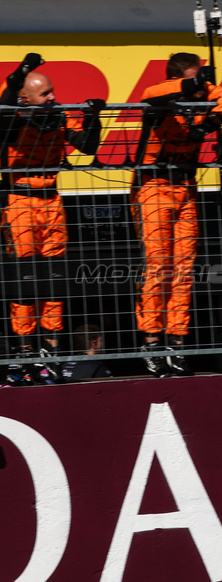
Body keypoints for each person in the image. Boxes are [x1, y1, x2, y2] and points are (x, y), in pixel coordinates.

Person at [136, 54, 222, 376]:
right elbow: (151, 96)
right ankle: (152, 340)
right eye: (195, 80)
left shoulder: (202, 99)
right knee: (159, 265)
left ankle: (177, 341)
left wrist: (212, 122)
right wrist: (191, 86)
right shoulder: (159, 96)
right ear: (179, 80)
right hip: (153, 186)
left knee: (184, 266)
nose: (203, 88)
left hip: (185, 187)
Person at [0, 54, 103, 382]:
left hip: (53, 201)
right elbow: (4, 102)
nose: (53, 97)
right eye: (45, 94)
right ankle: (24, 352)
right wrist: (22, 72)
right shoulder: (12, 117)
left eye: (52, 91)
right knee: (25, 279)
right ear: (26, 97)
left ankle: (50, 351)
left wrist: (94, 116)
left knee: (55, 279)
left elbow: (87, 146)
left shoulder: (59, 117)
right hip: (19, 201)